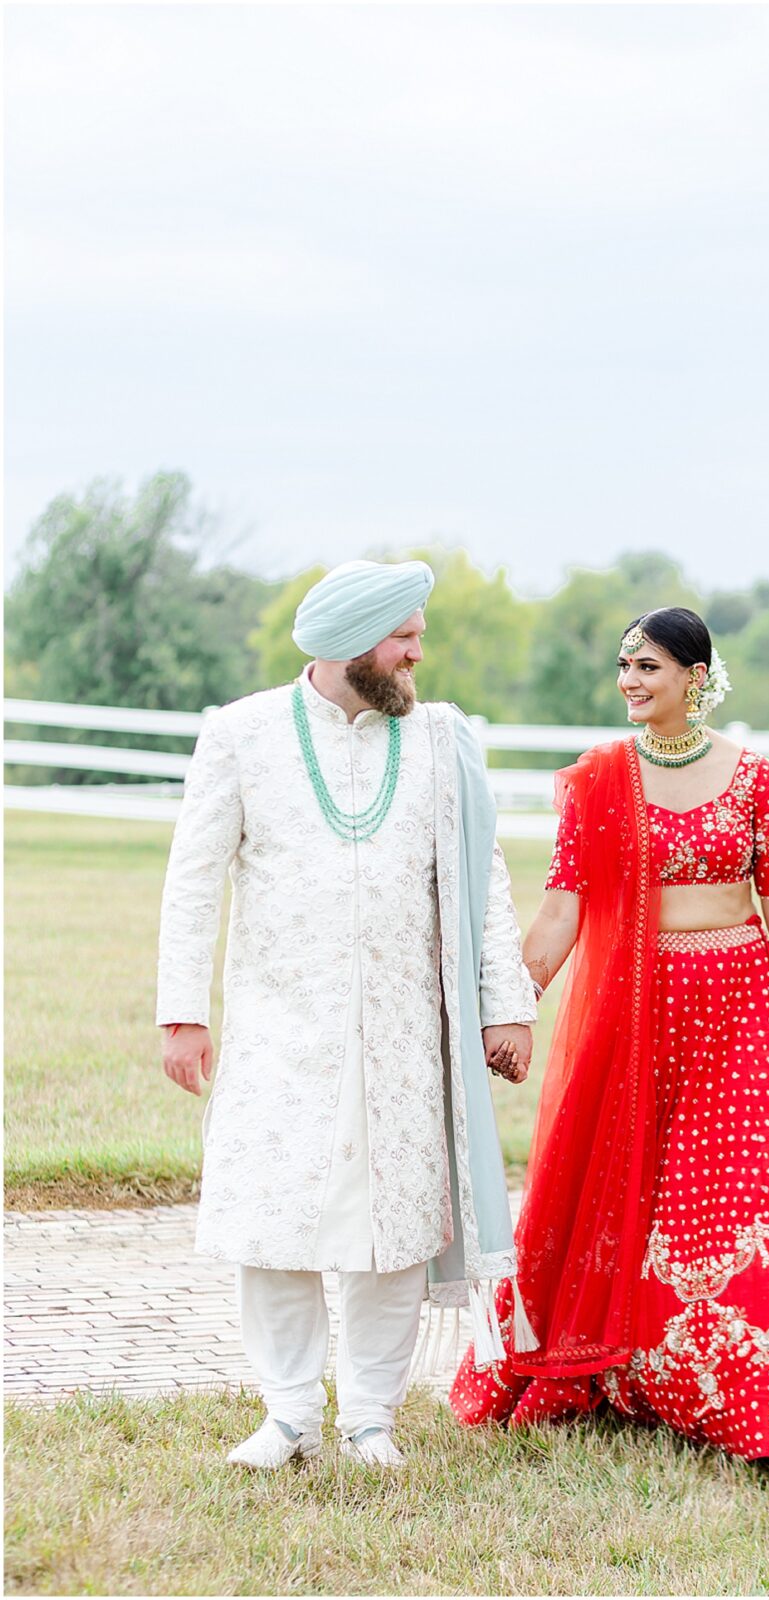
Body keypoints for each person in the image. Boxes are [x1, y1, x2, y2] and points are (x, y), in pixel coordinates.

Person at [451, 607, 769, 1462]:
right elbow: (562, 911)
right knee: (641, 1198)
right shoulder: (598, 779)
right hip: (638, 1020)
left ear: (695, 677)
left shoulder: (751, 777)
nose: (629, 681)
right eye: (624, 665)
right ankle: (647, 1373)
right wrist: (507, 1006)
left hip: (741, 1013)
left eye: (649, 667)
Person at [158, 558, 536, 1471]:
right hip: (281, 1024)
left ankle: (371, 1419)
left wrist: (504, 1003)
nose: (418, 651)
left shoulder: (441, 740)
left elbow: (483, 884)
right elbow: (194, 875)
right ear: (346, 644)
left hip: (406, 1031)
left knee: (394, 1227)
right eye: (403, 636)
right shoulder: (243, 733)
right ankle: (286, 1415)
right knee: (272, 1217)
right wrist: (182, 1009)